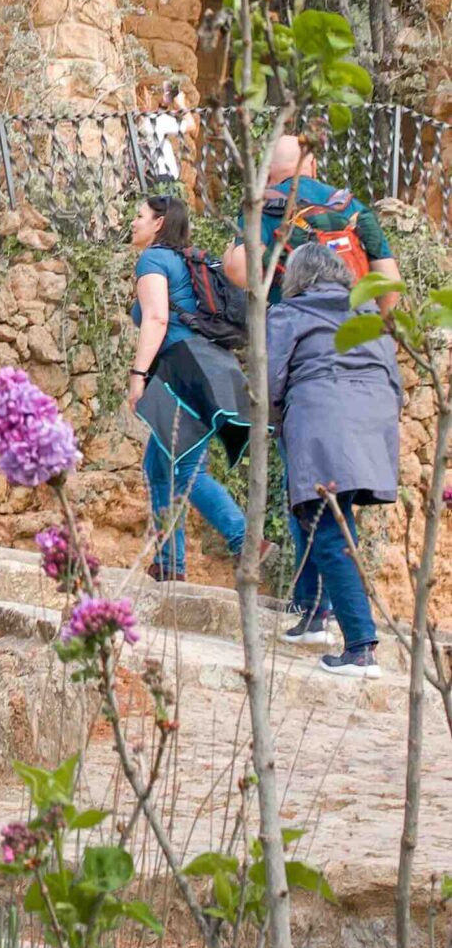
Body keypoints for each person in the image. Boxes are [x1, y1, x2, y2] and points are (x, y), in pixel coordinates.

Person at [268, 242, 401, 675]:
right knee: (325, 514)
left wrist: (277, 421)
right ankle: (312, 614)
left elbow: (271, 379)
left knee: (325, 523)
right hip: (373, 417)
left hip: (321, 412)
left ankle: (360, 647)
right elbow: (394, 380)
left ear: (296, 277)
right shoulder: (369, 317)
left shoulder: (289, 313)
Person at [127, 194, 249, 582]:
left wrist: (138, 375)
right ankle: (170, 564)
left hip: (185, 371)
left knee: (185, 471)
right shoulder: (190, 260)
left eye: (140, 215)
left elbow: (157, 318)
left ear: (159, 222)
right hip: (215, 368)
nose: (134, 222)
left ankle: (245, 538)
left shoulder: (153, 260)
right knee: (160, 465)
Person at [223, 132, 401, 308]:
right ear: (314, 166)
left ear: (267, 173)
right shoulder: (351, 206)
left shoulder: (261, 208)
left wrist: (230, 250)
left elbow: (241, 273)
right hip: (353, 329)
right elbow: (390, 283)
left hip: (294, 329)